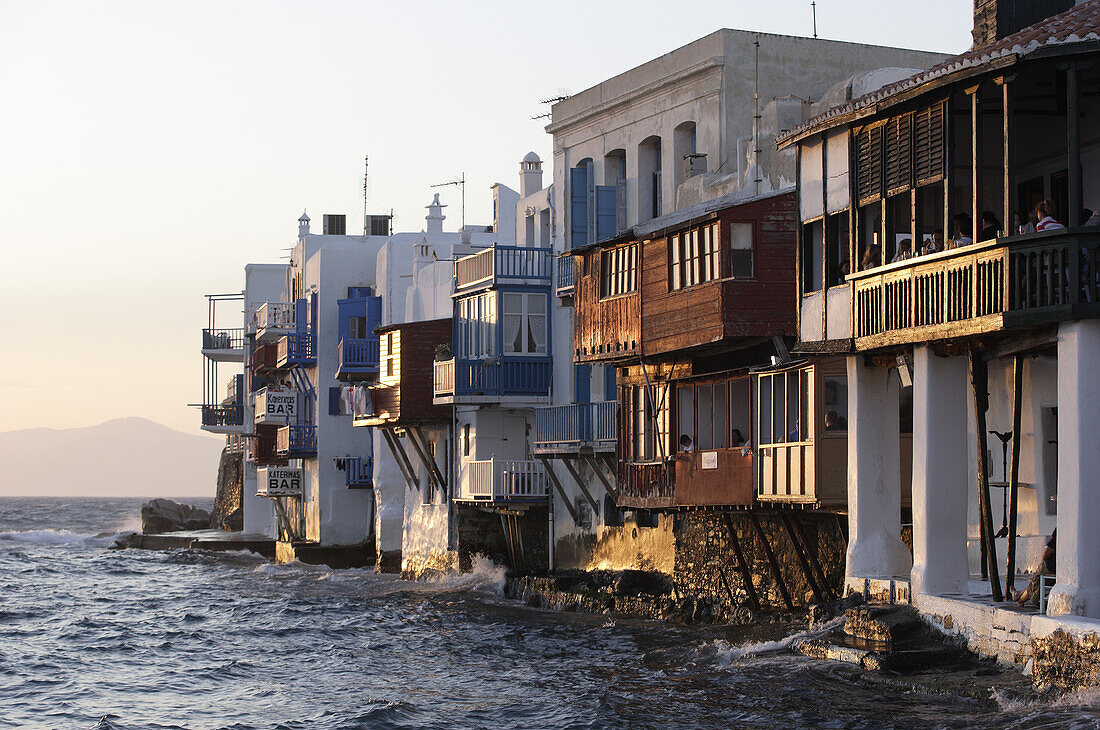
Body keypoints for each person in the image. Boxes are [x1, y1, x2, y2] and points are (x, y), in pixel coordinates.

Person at [1014, 529, 1056, 606]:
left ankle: (1020, 599)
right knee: (1035, 583)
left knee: (1035, 583)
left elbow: (1047, 552)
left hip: (1051, 567)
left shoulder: (1059, 529)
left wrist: (1042, 564)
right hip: (1058, 570)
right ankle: (1019, 594)